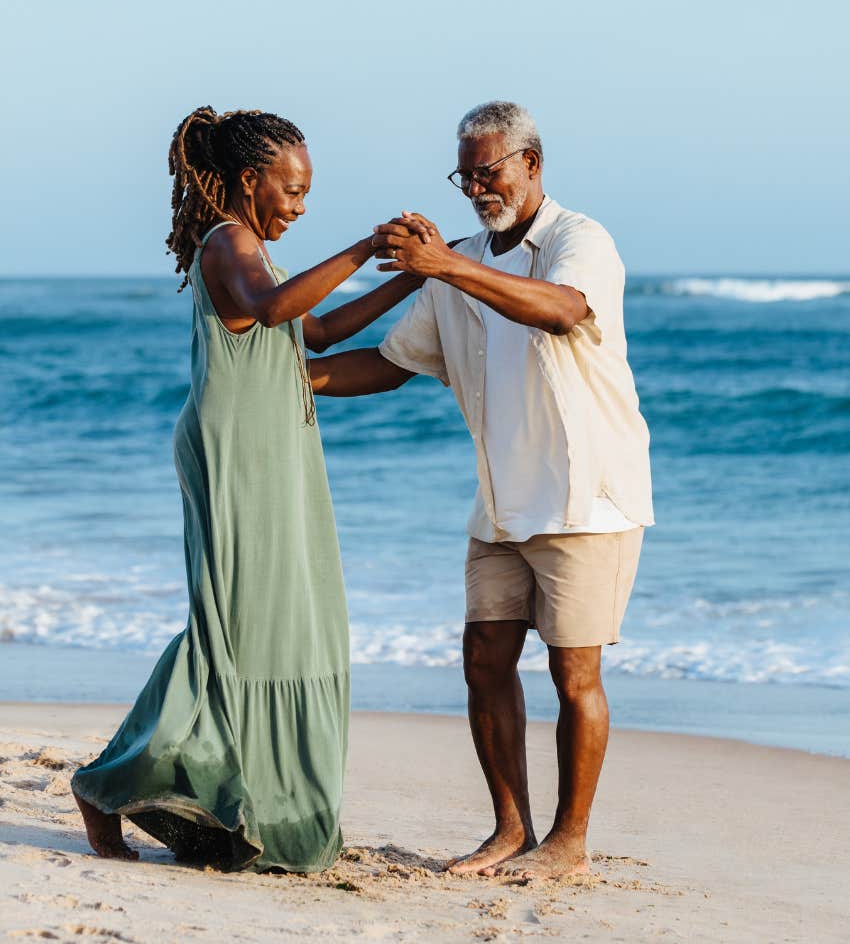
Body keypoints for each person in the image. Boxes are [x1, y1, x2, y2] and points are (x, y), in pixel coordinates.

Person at [71, 106, 426, 873]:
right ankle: (103, 790)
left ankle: (255, 806)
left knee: (280, 624)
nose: (299, 206)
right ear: (247, 180)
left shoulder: (256, 251)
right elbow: (272, 309)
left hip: (275, 452)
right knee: (227, 632)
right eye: (291, 190)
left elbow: (316, 332)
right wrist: (368, 246)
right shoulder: (229, 243)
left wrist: (415, 279)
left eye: (307, 193)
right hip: (236, 456)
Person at [309, 101, 653, 879]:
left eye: (488, 170)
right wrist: (283, 382)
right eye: (463, 173)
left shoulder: (578, 240)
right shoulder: (456, 263)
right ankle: (509, 831)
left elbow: (563, 311)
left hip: (586, 497)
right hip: (501, 500)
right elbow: (392, 364)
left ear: (532, 164)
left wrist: (448, 265)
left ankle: (568, 843)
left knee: (575, 675)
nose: (475, 187)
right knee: (483, 658)